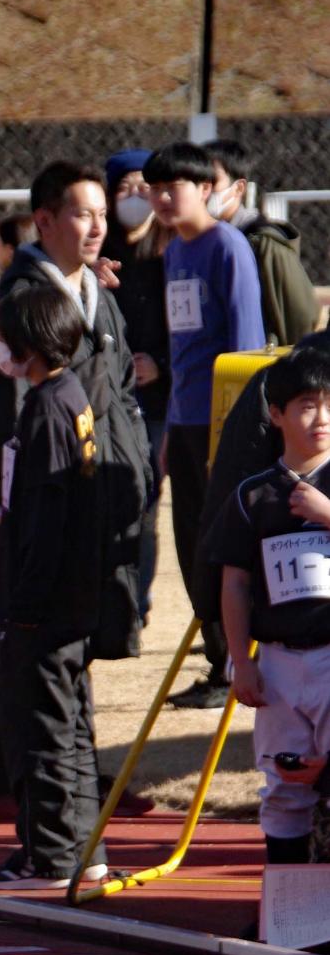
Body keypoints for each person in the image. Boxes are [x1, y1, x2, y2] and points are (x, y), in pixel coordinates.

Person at [0, 161, 152, 821]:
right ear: (42, 220)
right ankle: (24, 777)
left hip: (94, 491)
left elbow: (121, 387)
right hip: (45, 501)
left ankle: (57, 773)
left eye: (101, 212)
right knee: (37, 636)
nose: (98, 225)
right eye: (81, 213)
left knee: (71, 636)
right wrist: (11, 506)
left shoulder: (96, 291)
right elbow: (8, 418)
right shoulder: (22, 303)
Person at [0, 283, 109, 892]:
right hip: (66, 597)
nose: (0, 347)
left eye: (8, 336)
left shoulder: (50, 405)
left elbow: (52, 513)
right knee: (69, 722)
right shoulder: (66, 396)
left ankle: (50, 853)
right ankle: (81, 844)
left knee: (44, 727)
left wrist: (24, 599)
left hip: (46, 603)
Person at [145, 140, 265, 708]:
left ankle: (232, 664)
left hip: (223, 427)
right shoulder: (173, 253)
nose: (164, 198)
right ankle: (217, 663)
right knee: (191, 545)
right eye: (156, 189)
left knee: (221, 547)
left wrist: (233, 436)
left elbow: (244, 347)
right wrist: (171, 426)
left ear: (206, 190)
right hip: (185, 420)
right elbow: (181, 349)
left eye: (176, 187)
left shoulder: (228, 247)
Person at [210, 347, 330, 865]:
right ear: (277, 414)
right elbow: (234, 583)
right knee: (283, 789)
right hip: (279, 663)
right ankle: (289, 921)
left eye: (329, 404)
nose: (321, 418)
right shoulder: (253, 496)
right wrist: (241, 660)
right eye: (306, 405)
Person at [102, 148, 172, 623]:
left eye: (142, 186)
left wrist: (161, 365)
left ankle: (135, 601)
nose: (134, 195)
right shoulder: (103, 254)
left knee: (145, 498)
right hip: (109, 396)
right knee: (112, 499)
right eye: (123, 186)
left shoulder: (175, 251)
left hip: (160, 399)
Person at [208, 139, 320, 348]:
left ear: (239, 187)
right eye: (197, 182)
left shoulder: (263, 242)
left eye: (212, 183)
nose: (204, 192)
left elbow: (301, 315)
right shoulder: (193, 243)